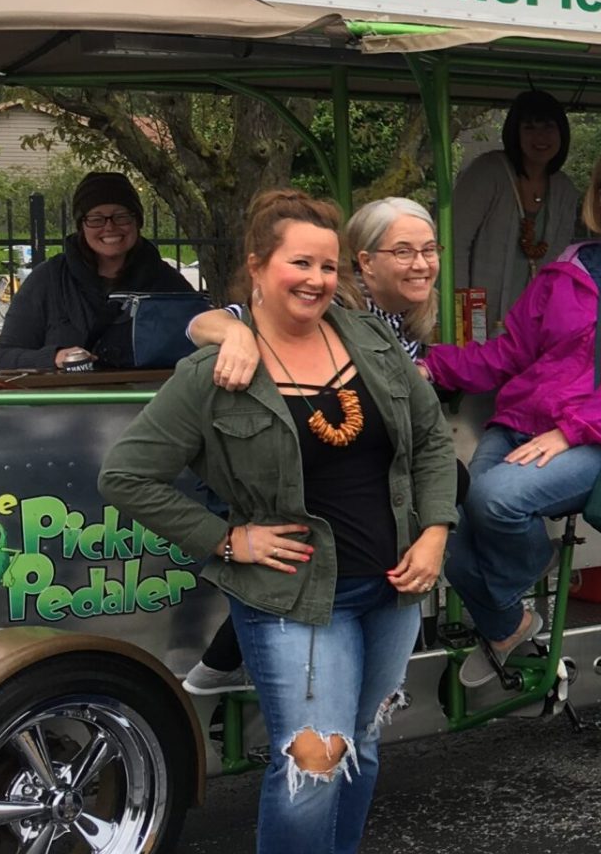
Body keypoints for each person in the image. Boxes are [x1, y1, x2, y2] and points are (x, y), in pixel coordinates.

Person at [100, 188, 455, 854]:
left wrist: (435, 531)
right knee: (310, 756)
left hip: (392, 583)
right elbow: (125, 476)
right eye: (301, 262)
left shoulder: (367, 337)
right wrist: (228, 540)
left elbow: (432, 438)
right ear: (257, 269)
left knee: (358, 743)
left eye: (329, 265)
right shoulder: (217, 369)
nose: (318, 279)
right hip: (294, 594)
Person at [425, 147, 601, 687]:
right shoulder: (568, 268)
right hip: (523, 422)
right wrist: (431, 366)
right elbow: (510, 351)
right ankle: (511, 626)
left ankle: (529, 566)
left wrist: (570, 432)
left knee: (493, 499)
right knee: (456, 542)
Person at [180, 195, 446, 698]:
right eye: (404, 251)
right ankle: (224, 659)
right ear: (366, 261)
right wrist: (235, 333)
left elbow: (422, 429)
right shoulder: (334, 304)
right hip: (279, 480)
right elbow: (200, 324)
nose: (421, 263)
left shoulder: (400, 322)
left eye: (429, 250)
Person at [0, 171, 193, 371]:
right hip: (67, 400)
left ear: (137, 222)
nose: (110, 227)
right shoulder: (49, 279)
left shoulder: (168, 282)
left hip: (147, 400)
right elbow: (6, 356)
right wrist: (55, 357)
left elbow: (198, 351)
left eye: (121, 217)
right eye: (96, 219)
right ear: (81, 225)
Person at [451, 89, 579, 322]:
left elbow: (559, 261)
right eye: (529, 127)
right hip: (476, 315)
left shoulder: (564, 189)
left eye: (549, 127)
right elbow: (454, 244)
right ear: (514, 133)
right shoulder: (488, 172)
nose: (540, 137)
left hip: (533, 320)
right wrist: (462, 315)